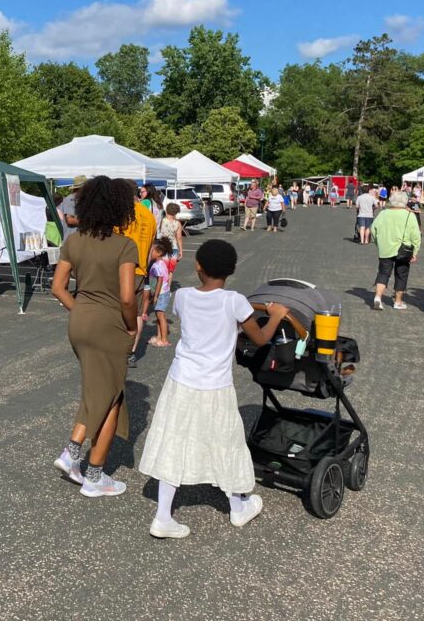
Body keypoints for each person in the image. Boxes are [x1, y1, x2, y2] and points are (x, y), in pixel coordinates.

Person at [138, 239, 290, 538]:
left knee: (175, 439)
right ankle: (238, 507)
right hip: (215, 384)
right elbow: (259, 339)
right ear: (232, 270)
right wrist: (275, 316)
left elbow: (205, 311)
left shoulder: (182, 296)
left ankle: (163, 515)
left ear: (198, 266)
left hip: (181, 379)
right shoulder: (234, 301)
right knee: (227, 441)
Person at [51, 176, 138, 497]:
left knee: (98, 390)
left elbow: (57, 287)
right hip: (108, 324)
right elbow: (128, 297)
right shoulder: (124, 245)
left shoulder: (74, 241)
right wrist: (130, 326)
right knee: (112, 396)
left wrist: (81, 310)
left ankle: (73, 454)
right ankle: (93, 473)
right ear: (119, 208)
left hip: (79, 320)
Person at [120, 186, 157, 367]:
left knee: (117, 311)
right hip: (141, 270)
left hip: (120, 270)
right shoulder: (149, 216)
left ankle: (118, 351)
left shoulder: (121, 214)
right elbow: (151, 248)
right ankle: (131, 352)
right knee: (136, 314)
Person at [370, 191, 421, 310]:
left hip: (385, 248)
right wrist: (415, 252)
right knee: (401, 275)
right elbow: (416, 236)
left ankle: (378, 297)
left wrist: (378, 242)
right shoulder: (409, 215)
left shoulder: (383, 214)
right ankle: (398, 302)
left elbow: (373, 229)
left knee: (383, 273)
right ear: (405, 202)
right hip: (404, 250)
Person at [147, 237, 173, 348]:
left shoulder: (158, 265)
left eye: (151, 250)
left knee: (161, 316)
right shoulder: (158, 263)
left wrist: (156, 296)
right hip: (161, 293)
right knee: (158, 316)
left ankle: (164, 339)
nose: (150, 252)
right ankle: (159, 337)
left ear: (158, 252)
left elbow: (160, 281)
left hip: (161, 294)